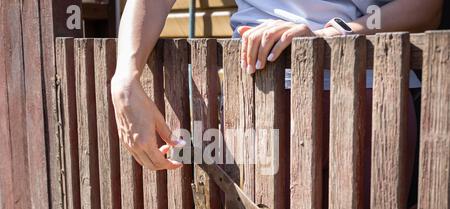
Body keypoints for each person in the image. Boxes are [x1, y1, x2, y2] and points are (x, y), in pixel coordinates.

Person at [111, 0, 443, 171]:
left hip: (367, 98)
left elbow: (427, 8)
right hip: (252, 101)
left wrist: (334, 34)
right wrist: (124, 78)